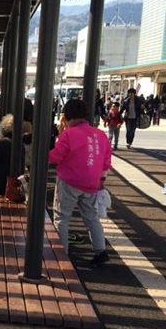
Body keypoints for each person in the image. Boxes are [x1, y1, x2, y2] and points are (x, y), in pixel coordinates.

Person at [49, 99, 111, 266]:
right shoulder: (100, 135)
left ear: (67, 116)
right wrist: (102, 180)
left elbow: (55, 156)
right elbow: (106, 160)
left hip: (69, 180)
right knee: (91, 217)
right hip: (92, 182)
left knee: (62, 217)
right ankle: (100, 250)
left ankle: (62, 254)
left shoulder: (68, 134)